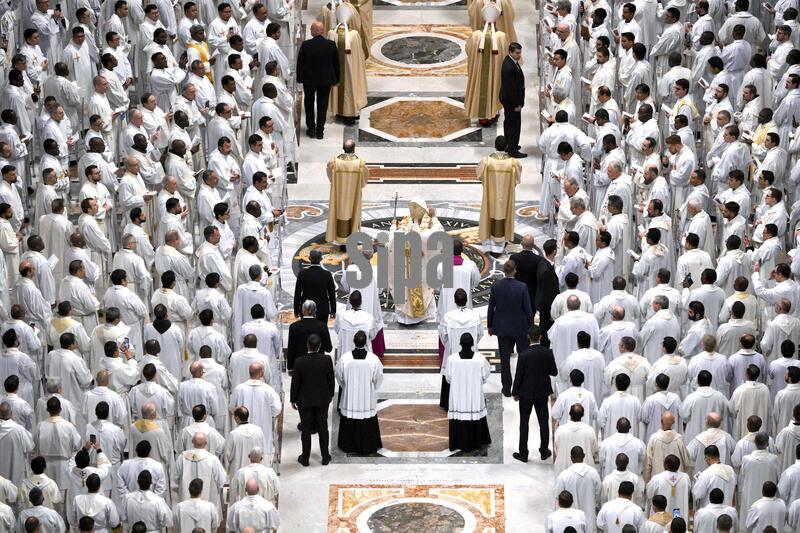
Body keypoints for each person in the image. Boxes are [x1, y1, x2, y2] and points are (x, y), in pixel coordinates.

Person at [487, 260, 532, 396]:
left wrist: (490, 325)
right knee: (523, 358)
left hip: (502, 328)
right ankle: (521, 387)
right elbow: (528, 309)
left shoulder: (496, 286)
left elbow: (491, 308)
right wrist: (531, 327)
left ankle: (506, 389)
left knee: (505, 360)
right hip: (520, 327)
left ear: (504, 271)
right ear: (515, 271)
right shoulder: (522, 287)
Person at [512, 326, 557, 462]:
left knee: (524, 423)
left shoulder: (524, 354)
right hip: (542, 392)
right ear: (540, 337)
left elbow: (518, 376)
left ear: (528, 337)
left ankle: (523, 453)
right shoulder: (547, 353)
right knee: (543, 422)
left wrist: (515, 392)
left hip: (526, 393)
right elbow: (554, 372)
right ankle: (544, 451)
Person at [290, 334, 335, 466]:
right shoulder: (326, 360)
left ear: (307, 345)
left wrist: (293, 399)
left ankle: (305, 458)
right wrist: (330, 394)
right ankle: (325, 457)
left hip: (305, 400)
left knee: (306, 429)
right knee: (323, 427)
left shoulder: (299, 361)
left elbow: (295, 383)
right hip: (322, 399)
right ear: (320, 346)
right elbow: (331, 379)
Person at [336, 330, 383, 454]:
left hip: (350, 397)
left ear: (353, 341)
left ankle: (348, 445)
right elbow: (379, 377)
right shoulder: (373, 359)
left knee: (349, 420)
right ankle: (368, 446)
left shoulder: (345, 358)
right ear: (366, 342)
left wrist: (346, 386)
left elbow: (339, 376)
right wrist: (372, 388)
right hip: (367, 398)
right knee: (367, 420)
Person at [443, 333, 492, 452]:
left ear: (460, 343)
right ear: (472, 344)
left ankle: (457, 443)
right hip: (474, 396)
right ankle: (477, 442)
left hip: (457, 396)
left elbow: (448, 378)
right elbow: (485, 375)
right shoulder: (480, 359)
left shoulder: (452, 359)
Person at [477, 136, 523, 253]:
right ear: (506, 147)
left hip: (490, 197)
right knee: (504, 215)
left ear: (494, 146)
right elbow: (517, 179)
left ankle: (489, 245)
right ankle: (501, 244)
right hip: (505, 198)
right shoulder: (513, 163)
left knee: (489, 214)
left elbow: (479, 175)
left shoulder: (487, 162)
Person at [296, 21, 339, 139]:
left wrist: (299, 78)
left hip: (309, 80)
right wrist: (336, 79)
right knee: (322, 105)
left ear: (315, 31)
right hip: (326, 80)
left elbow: (300, 63)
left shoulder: (306, 45)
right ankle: (320, 131)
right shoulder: (331, 45)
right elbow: (336, 64)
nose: (310, 31)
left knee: (309, 103)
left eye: (311, 29)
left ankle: (311, 129)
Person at [325, 140, 369, 245]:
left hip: (338, 194)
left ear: (343, 148)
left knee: (338, 211)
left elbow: (330, 175)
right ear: (354, 149)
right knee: (353, 211)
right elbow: (364, 180)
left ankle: (337, 237)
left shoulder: (334, 162)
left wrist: (335, 182)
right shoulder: (359, 164)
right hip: (353, 195)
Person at [286, 300, 333, 371]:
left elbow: (291, 349)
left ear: (302, 310)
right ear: (315, 310)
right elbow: (328, 348)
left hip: (300, 366)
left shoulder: (294, 327)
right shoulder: (322, 326)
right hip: (319, 366)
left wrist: (290, 367)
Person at [293, 249, 336, 322]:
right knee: (321, 329)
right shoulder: (327, 275)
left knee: (307, 329)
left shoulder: (302, 274)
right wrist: (333, 310)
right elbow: (332, 294)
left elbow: (297, 293)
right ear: (321, 259)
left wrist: (296, 310)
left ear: (309, 258)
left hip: (306, 309)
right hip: (322, 310)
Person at [500, 43, 526, 157]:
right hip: (512, 102)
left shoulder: (511, 61)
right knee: (514, 126)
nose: (519, 55)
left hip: (509, 100)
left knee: (509, 123)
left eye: (520, 53)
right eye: (517, 53)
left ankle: (510, 144)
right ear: (510, 52)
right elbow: (511, 88)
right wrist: (517, 104)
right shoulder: (509, 67)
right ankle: (513, 150)